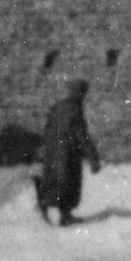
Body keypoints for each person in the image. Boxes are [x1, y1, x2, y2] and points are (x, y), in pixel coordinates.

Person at [34, 76, 100, 226]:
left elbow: (47, 128)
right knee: (69, 184)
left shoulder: (58, 106)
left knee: (54, 182)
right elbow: (81, 135)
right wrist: (93, 157)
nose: (84, 96)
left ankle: (47, 206)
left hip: (53, 153)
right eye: (83, 92)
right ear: (80, 92)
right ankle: (65, 216)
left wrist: (47, 148)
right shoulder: (75, 109)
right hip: (69, 153)